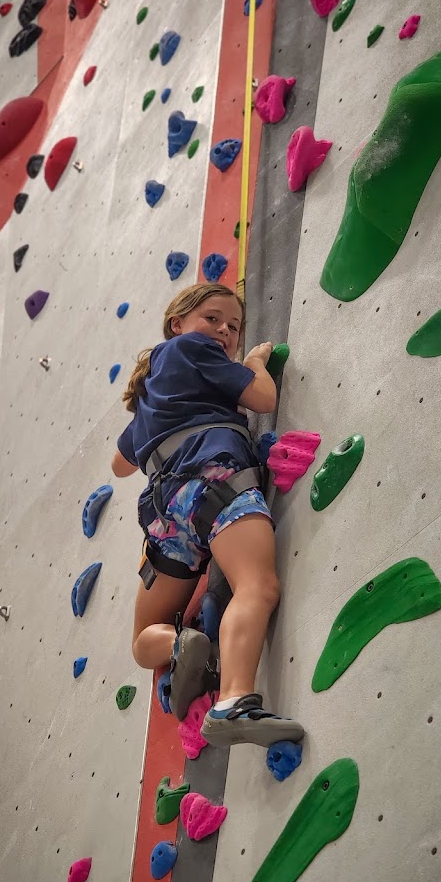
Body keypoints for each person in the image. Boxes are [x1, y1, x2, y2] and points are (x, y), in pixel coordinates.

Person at [112, 282, 304, 748]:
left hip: (166, 517)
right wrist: (252, 362)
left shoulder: (152, 391)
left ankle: (178, 644)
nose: (224, 331)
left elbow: (120, 465)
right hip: (214, 482)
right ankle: (233, 703)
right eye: (212, 318)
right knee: (256, 585)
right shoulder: (191, 349)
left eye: (233, 327)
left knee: (142, 639)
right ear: (176, 324)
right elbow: (263, 398)